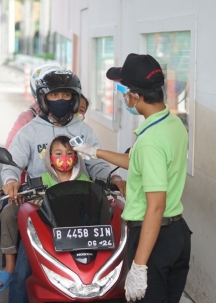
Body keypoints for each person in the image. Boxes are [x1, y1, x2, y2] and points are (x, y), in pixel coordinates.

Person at [0, 68, 126, 302]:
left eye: (66, 96)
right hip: (40, 209)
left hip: (82, 206)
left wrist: (114, 179)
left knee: (107, 267)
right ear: (43, 99)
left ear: (75, 98)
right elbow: (12, 164)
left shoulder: (82, 129)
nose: (60, 101)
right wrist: (11, 181)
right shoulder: (30, 132)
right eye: (54, 96)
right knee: (24, 272)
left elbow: (97, 164)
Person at [73, 53, 191, 302]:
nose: (124, 97)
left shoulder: (151, 141)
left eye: (124, 91)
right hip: (177, 233)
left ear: (136, 96)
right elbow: (138, 163)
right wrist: (95, 151)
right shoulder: (172, 124)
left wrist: (139, 266)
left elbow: (155, 206)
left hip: (154, 238)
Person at [0, 135, 90, 291]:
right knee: (22, 274)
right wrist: (21, 194)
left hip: (76, 237)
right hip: (43, 233)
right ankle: (9, 267)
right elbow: (29, 198)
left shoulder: (84, 181)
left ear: (76, 157)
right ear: (50, 158)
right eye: (58, 154)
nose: (64, 158)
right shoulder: (40, 181)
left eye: (69, 154)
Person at [4, 63, 64, 149]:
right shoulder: (26, 118)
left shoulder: (73, 118)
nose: (59, 99)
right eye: (53, 94)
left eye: (64, 93)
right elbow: (10, 148)